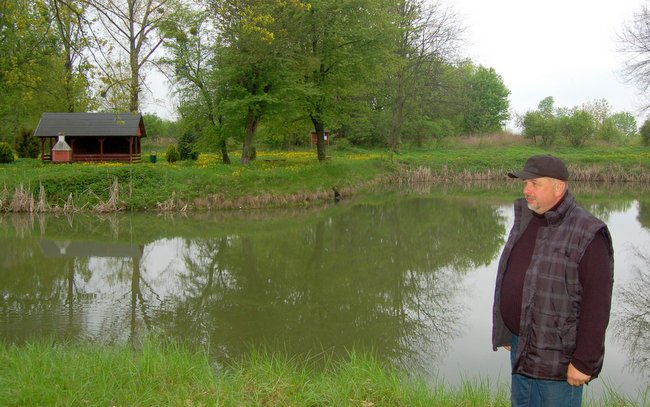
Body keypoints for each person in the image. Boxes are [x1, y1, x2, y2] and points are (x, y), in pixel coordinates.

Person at [492, 154, 614, 407]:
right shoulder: (526, 219)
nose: (526, 190)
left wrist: (584, 361)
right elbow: (511, 275)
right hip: (520, 344)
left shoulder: (587, 232)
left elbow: (598, 303)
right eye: (524, 183)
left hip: (558, 357)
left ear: (559, 187)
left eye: (535, 183)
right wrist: (506, 330)